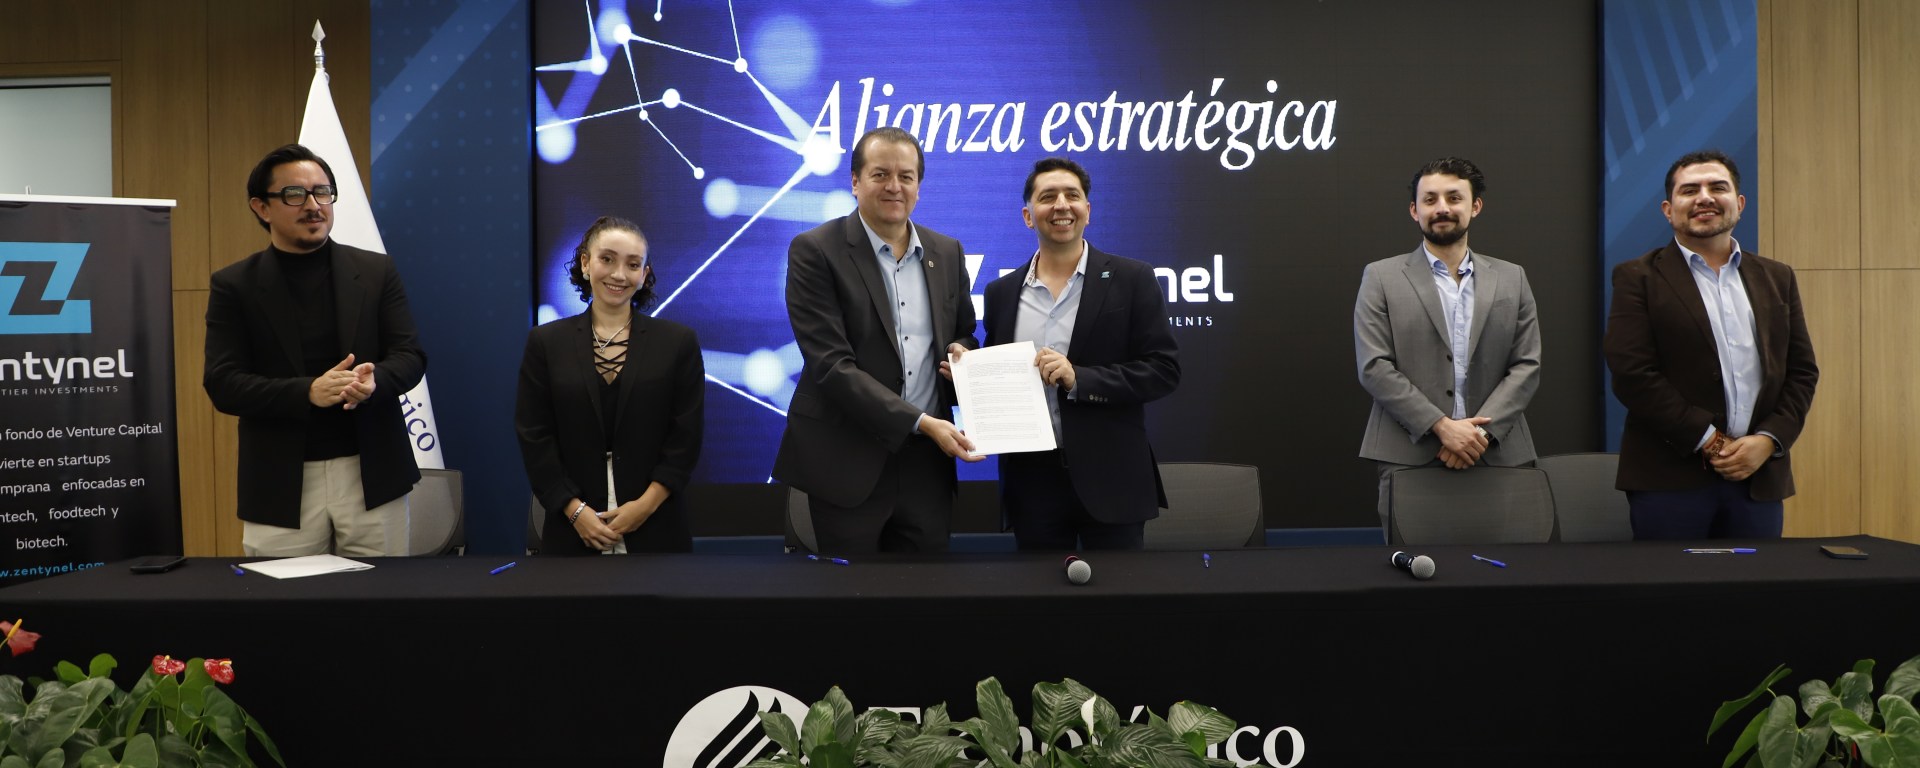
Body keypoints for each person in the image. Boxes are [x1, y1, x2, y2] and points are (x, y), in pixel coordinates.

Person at [204, 143, 426, 556]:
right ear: (261, 207)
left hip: (373, 473)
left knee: (382, 593)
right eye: (295, 194)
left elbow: (410, 356)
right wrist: (307, 392)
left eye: (322, 192)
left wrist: (374, 382)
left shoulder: (376, 272)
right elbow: (223, 383)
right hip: (280, 481)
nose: (313, 205)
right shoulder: (235, 285)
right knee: (284, 596)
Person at [772, 126, 981, 554]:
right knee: (847, 593)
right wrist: (920, 421)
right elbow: (831, 365)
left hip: (927, 466)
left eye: (906, 176)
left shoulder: (947, 252)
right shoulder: (815, 250)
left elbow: (964, 331)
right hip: (845, 460)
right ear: (855, 182)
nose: (894, 186)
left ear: (919, 186)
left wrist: (962, 352)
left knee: (927, 588)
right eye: (880, 174)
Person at [1604, 150, 1818, 540]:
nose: (1704, 197)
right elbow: (1632, 374)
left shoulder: (1777, 277)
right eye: (1690, 190)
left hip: (1758, 478)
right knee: (1673, 581)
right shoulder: (1637, 278)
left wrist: (1768, 441)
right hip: (1669, 481)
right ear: (1668, 210)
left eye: (1718, 187)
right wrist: (1711, 441)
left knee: (1756, 580)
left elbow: (1802, 372)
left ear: (1739, 203)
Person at [974, 157, 1179, 550]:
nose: (1061, 205)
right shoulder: (1001, 293)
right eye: (1047, 196)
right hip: (1031, 484)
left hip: (1113, 479)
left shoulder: (1132, 279)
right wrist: (966, 370)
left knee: (1120, 590)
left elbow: (1163, 370)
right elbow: (995, 376)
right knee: (1040, 590)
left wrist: (1079, 378)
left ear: (1087, 210)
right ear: (1028, 216)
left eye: (1072, 195)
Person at [1355, 156, 1541, 542]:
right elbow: (1374, 366)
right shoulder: (1381, 276)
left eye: (1454, 198)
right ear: (1414, 210)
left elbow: (1527, 364)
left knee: (1509, 570)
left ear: (1475, 206)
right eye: (1430, 199)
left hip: (1497, 453)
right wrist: (1442, 427)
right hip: (1410, 453)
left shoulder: (1513, 278)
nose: (1442, 208)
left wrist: (1477, 436)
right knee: (1417, 571)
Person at [515, 216, 705, 554]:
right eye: (607, 259)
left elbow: (685, 439)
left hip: (657, 529)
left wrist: (643, 507)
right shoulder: (546, 342)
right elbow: (534, 435)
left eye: (632, 265)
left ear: (644, 275)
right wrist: (575, 512)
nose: (619, 274)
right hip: (572, 533)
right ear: (585, 263)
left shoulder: (677, 342)